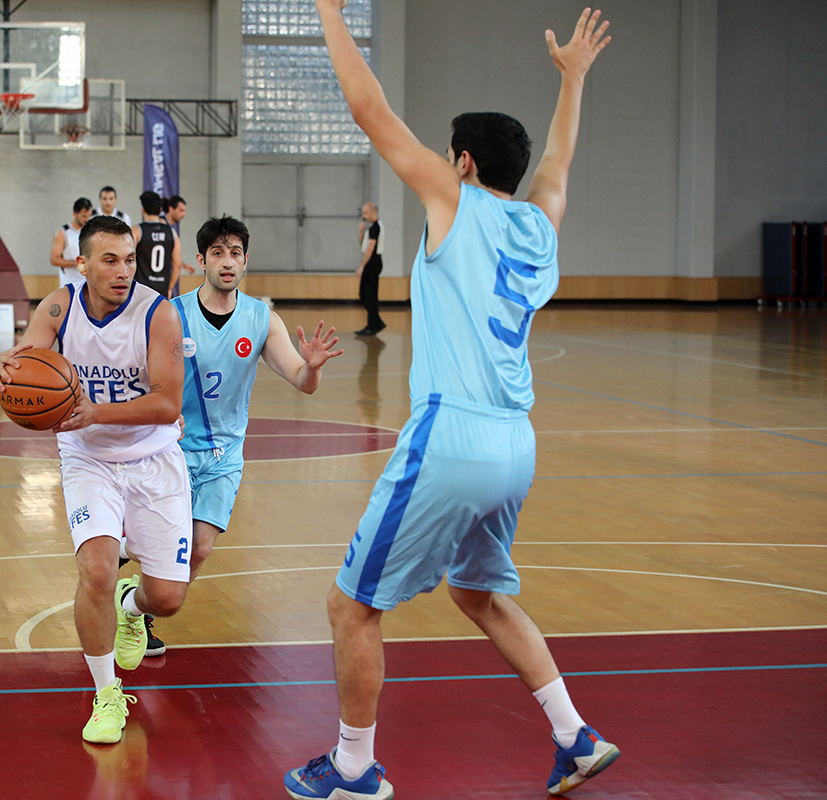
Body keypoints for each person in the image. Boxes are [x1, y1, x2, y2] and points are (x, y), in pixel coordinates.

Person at [284, 6, 618, 800]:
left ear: (462, 163)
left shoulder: (456, 202)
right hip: (516, 444)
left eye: (445, 154)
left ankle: (355, 771)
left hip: (454, 439)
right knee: (480, 592)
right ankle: (576, 735)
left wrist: (331, 13)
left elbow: (370, 111)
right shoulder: (539, 226)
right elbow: (560, 168)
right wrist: (572, 81)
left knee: (350, 606)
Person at [0, 214, 191, 746]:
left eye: (129, 259)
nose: (123, 270)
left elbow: (170, 404)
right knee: (97, 570)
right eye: (110, 260)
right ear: (83, 264)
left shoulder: (159, 313)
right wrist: (4, 365)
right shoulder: (59, 305)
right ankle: (107, 695)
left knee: (167, 598)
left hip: (154, 459)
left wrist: (97, 412)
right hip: (87, 459)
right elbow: (27, 357)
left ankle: (133, 608)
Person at [135, 215, 343, 653]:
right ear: (199, 261)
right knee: (155, 543)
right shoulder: (172, 313)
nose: (227, 263)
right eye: (217, 254)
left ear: (246, 260)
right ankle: (126, 557)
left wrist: (313, 367)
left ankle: (138, 613)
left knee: (199, 551)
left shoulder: (261, 318)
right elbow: (145, 376)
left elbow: (300, 380)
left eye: (235, 254)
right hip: (170, 450)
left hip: (224, 454)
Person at [132, 191, 182, 298]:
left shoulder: (137, 231)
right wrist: (170, 288)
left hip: (140, 290)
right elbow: (177, 265)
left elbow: (127, 258)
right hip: (161, 291)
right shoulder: (172, 233)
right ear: (160, 210)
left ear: (143, 210)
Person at [354, 203, 385, 336]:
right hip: (371, 262)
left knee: (370, 296)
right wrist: (361, 232)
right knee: (365, 295)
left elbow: (370, 249)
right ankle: (376, 322)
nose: (363, 216)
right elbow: (363, 246)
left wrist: (362, 266)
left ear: (373, 212)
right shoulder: (371, 228)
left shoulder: (375, 228)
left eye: (365, 213)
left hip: (372, 262)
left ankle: (373, 325)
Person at [52, 198, 95, 287]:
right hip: (69, 284)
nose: (87, 219)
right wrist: (77, 262)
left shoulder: (91, 231)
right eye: (83, 216)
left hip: (87, 283)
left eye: (89, 216)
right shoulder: (63, 233)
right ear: (75, 214)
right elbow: (54, 259)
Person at [163, 196, 197, 278]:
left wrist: (182, 264)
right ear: (171, 209)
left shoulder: (168, 228)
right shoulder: (163, 228)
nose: (183, 214)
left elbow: (165, 254)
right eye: (181, 210)